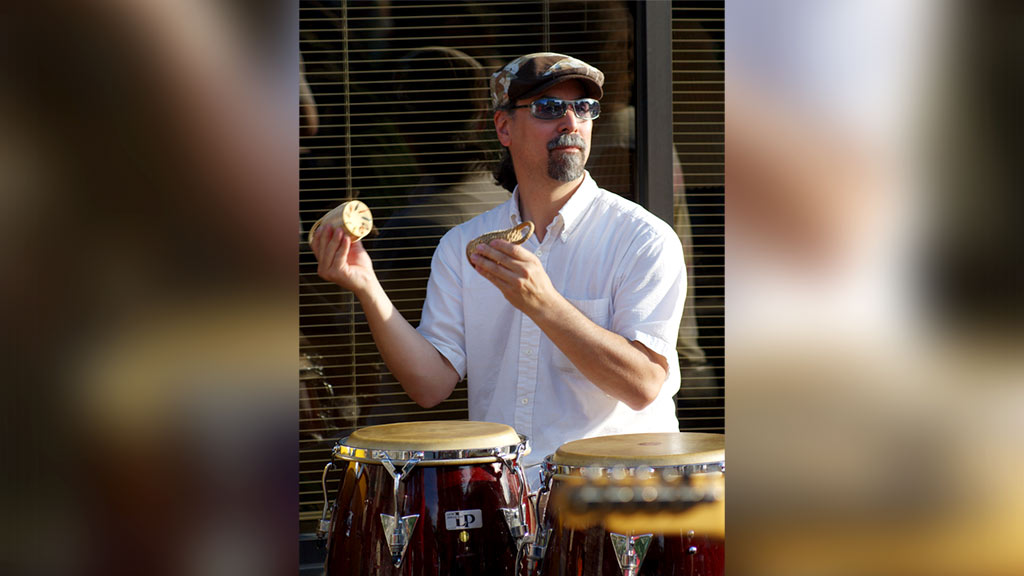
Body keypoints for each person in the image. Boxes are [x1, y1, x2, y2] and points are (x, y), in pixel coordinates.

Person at [311, 52, 686, 486]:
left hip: (615, 499)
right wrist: (366, 285)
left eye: (584, 108)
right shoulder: (462, 245)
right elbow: (430, 385)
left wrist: (545, 304)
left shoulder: (642, 238)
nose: (570, 122)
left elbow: (644, 385)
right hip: (506, 500)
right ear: (504, 127)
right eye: (549, 108)